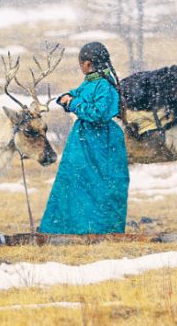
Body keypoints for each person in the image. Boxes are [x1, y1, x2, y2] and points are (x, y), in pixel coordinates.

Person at [39, 41, 130, 234]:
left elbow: (97, 113)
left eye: (81, 63)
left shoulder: (103, 86)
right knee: (78, 182)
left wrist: (72, 103)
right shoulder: (91, 83)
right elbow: (75, 95)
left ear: (87, 64)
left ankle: (98, 229)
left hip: (100, 144)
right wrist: (67, 99)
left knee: (99, 185)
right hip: (85, 143)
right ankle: (75, 228)